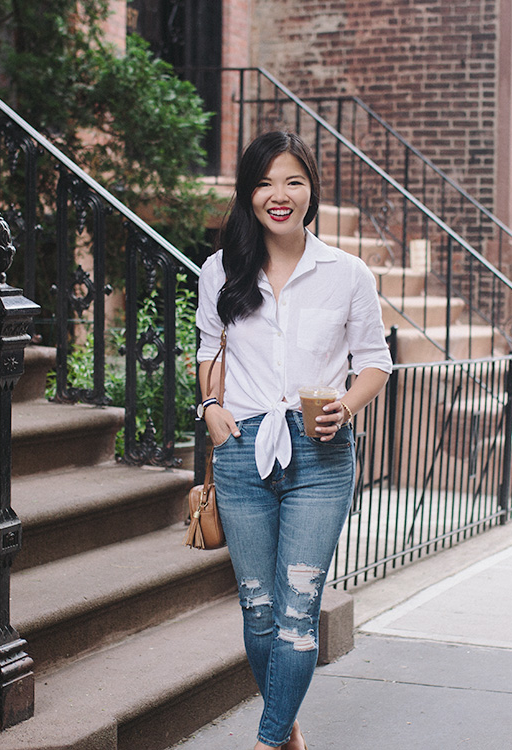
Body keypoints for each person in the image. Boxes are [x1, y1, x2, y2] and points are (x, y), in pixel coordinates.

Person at [196, 130, 393, 750]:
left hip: (321, 455)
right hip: (240, 451)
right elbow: (208, 348)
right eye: (264, 183)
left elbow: (376, 361)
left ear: (311, 190)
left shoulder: (347, 274)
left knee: (297, 610)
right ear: (247, 192)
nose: (278, 196)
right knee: (258, 610)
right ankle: (287, 732)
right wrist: (211, 410)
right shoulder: (220, 271)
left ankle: (268, 739)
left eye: (293, 182)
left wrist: (347, 402)